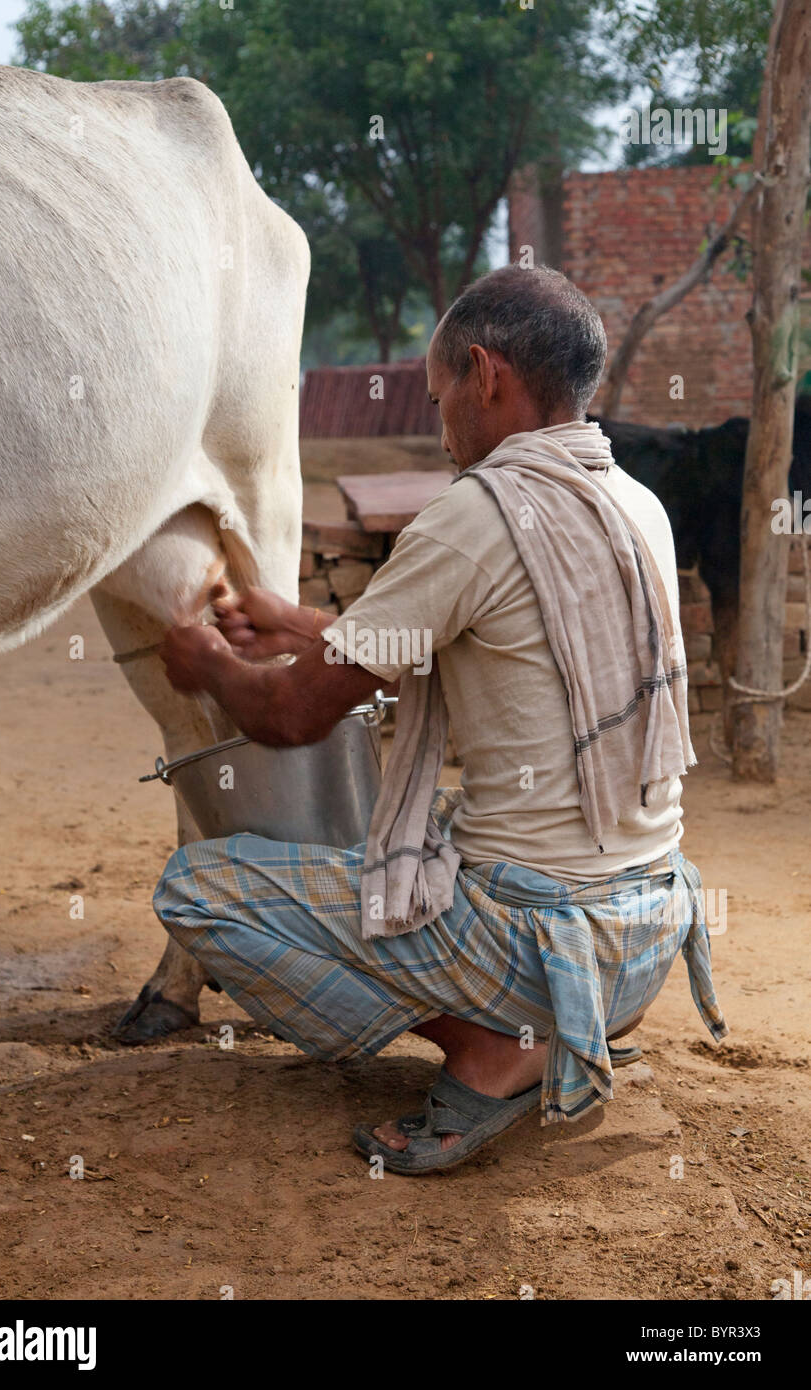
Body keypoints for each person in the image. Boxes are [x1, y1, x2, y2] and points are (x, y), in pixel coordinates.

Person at [153, 264, 726, 1176]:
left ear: (485, 373)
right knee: (448, 838)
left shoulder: (476, 514)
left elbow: (294, 713)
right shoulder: (632, 506)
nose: (440, 421)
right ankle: (563, 1029)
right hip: (645, 938)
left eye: (439, 394)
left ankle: (497, 1046)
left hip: (535, 950)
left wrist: (210, 663)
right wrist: (298, 622)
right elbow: (483, 631)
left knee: (195, 888)